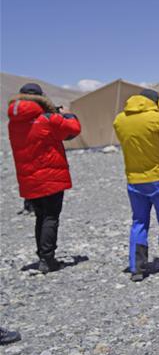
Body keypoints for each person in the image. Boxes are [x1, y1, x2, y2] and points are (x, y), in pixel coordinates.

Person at [7, 83, 82, 273]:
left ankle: (42, 255)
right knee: (51, 217)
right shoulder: (47, 119)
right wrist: (68, 115)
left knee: (40, 217)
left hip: (28, 178)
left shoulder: (13, 122)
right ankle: (48, 259)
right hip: (51, 176)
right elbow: (73, 130)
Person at [113, 89, 159, 280]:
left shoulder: (120, 119)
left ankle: (137, 267)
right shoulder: (155, 118)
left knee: (139, 222)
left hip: (134, 180)